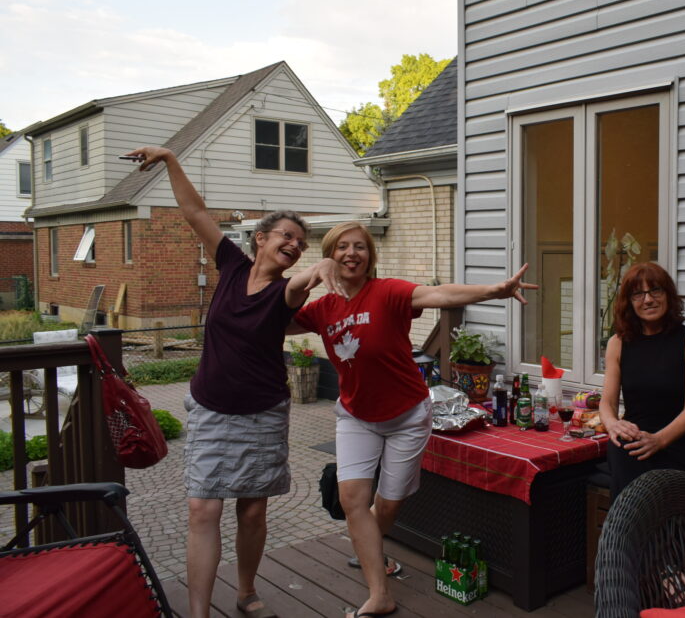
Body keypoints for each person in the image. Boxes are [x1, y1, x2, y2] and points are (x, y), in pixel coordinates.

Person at [126, 146, 343, 618]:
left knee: (252, 510)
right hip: (210, 408)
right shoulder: (230, 265)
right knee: (203, 510)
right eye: (287, 235)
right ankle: (199, 613)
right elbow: (195, 211)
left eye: (302, 243)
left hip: (262, 414)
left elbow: (300, 284)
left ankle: (245, 592)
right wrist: (170, 159)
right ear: (260, 238)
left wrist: (321, 268)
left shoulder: (284, 292)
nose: (295, 245)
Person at [289, 220, 536, 618]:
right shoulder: (322, 308)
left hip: (406, 416)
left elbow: (440, 294)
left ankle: (370, 550)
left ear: (370, 256)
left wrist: (495, 290)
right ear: (330, 255)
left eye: (360, 247)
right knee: (353, 501)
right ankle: (379, 593)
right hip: (355, 415)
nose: (352, 253)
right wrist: (306, 277)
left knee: (387, 506)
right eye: (342, 247)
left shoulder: (387, 292)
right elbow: (275, 318)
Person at [598, 262, 685, 501]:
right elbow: (607, 402)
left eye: (655, 290)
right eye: (638, 294)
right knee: (623, 455)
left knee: (653, 497)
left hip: (677, 444)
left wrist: (659, 440)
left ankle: (627, 523)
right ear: (629, 302)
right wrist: (613, 424)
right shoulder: (618, 343)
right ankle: (626, 524)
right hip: (634, 440)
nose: (648, 300)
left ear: (668, 295)